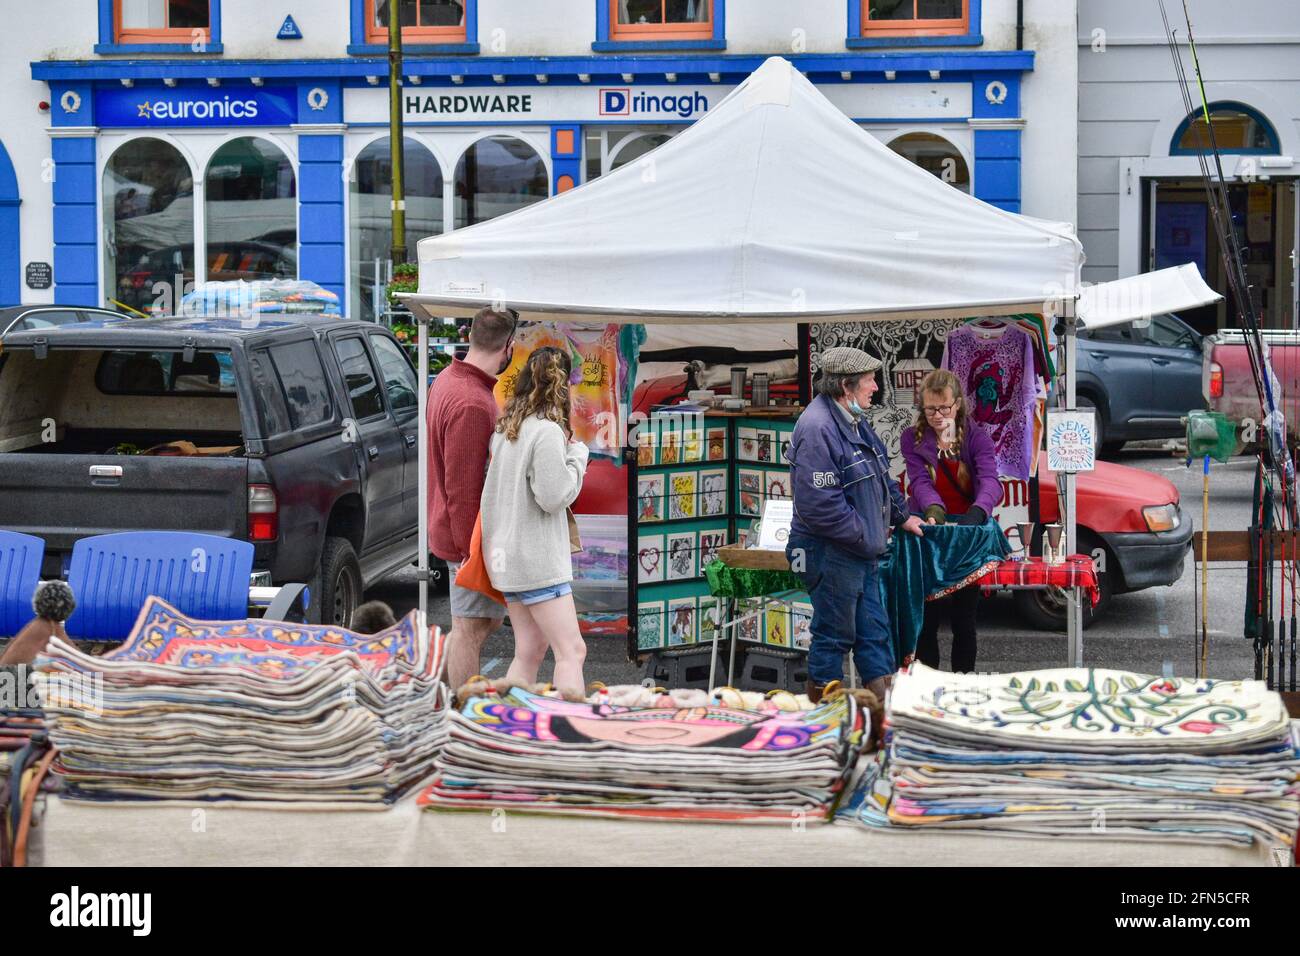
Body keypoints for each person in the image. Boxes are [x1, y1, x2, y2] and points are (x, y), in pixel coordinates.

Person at [786, 346, 926, 702]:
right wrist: (867, 536)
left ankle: (884, 714)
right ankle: (825, 720)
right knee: (834, 635)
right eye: (869, 380)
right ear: (846, 386)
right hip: (831, 551)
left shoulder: (853, 419)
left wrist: (903, 515)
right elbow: (819, 506)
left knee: (873, 633)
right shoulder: (818, 427)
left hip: (858, 551)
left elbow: (881, 476)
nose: (876, 387)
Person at [480, 347, 590, 698]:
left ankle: (507, 723)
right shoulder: (546, 432)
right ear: (563, 386)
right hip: (537, 560)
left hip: (508, 557)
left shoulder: (508, 428)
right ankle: (569, 732)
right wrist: (578, 458)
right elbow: (553, 495)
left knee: (528, 652)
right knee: (572, 651)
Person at [426, 306, 516, 690]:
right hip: (463, 536)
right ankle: (462, 712)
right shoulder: (472, 402)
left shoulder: (448, 378)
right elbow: (463, 491)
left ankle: (443, 700)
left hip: (452, 529)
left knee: (477, 624)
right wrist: (471, 555)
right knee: (471, 628)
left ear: (471, 336)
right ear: (508, 347)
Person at [900, 368, 1002, 673]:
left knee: (964, 620)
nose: (937, 415)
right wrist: (934, 510)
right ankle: (927, 680)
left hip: (966, 534)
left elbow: (991, 481)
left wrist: (978, 511)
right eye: (930, 408)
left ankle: (964, 681)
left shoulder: (976, 437)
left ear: (957, 404)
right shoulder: (912, 438)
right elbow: (918, 481)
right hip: (929, 531)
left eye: (943, 407)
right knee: (926, 619)